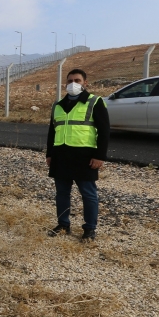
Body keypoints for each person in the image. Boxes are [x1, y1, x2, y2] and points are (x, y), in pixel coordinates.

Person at [46, 68, 109, 241]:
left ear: (85, 83)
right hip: (61, 156)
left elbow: (104, 131)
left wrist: (100, 156)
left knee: (88, 194)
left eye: (77, 80)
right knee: (62, 193)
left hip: (84, 156)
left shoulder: (94, 102)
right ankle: (63, 224)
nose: (73, 84)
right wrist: (49, 154)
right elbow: (52, 132)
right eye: (70, 81)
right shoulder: (57, 105)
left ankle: (89, 229)